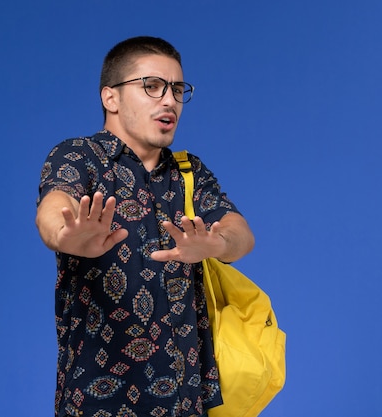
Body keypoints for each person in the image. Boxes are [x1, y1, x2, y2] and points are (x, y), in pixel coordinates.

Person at [35, 36, 255, 417]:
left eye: (177, 89)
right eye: (152, 87)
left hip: (185, 400)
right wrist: (63, 234)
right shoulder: (80, 156)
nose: (169, 100)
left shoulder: (189, 172)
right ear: (111, 98)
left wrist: (217, 245)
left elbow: (240, 233)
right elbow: (56, 203)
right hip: (95, 399)